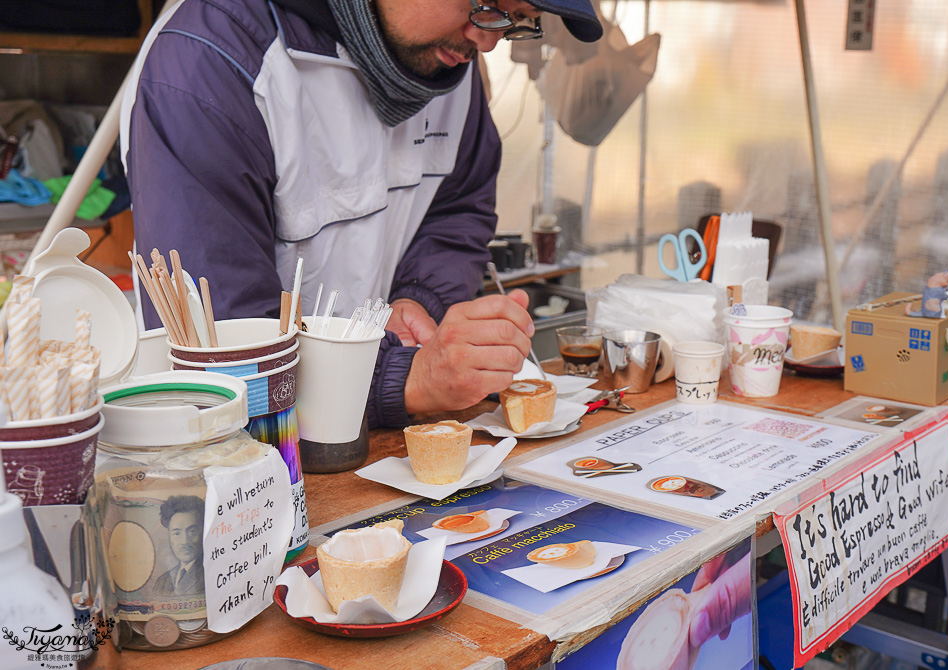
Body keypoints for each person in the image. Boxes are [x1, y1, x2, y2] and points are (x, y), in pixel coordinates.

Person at [122, 0, 602, 428]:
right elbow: (219, 341)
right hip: (244, 461)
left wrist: (417, 300)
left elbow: (456, 209)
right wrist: (408, 377)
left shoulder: (452, 63)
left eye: (519, 21)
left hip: (372, 432)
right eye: (487, 5)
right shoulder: (211, 62)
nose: (489, 40)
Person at [152, 495, 206, 596]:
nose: (184, 541)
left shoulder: (209, 574)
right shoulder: (162, 581)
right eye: (176, 533)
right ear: (170, 535)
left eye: (192, 532)